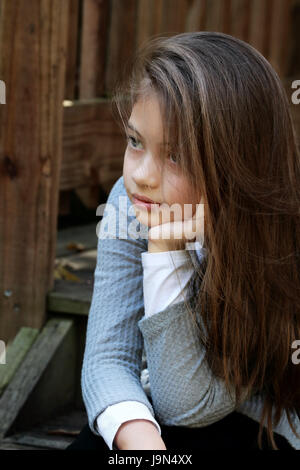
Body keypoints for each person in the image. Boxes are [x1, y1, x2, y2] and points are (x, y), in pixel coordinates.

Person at [66, 32, 300, 451]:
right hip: (167, 415)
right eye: (135, 142)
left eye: (176, 155)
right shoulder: (128, 200)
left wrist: (167, 251)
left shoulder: (272, 234)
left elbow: (189, 406)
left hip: (256, 423)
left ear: (237, 166)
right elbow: (107, 360)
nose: (142, 175)